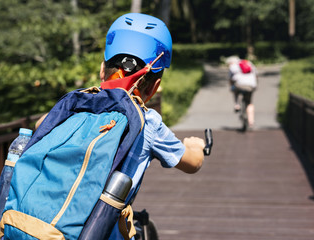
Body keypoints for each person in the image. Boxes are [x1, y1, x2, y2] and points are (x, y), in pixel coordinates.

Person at [36, 13, 205, 240]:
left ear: (101, 70)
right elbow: (192, 164)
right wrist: (196, 146)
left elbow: (40, 125)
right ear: (155, 86)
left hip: (40, 224)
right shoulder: (149, 122)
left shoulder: (77, 104)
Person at [226, 56, 258, 129]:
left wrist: (231, 87)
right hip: (251, 85)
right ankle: (251, 121)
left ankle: (237, 104)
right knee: (249, 102)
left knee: (235, 90)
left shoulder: (233, 66)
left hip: (239, 85)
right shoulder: (248, 63)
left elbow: (230, 79)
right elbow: (256, 75)